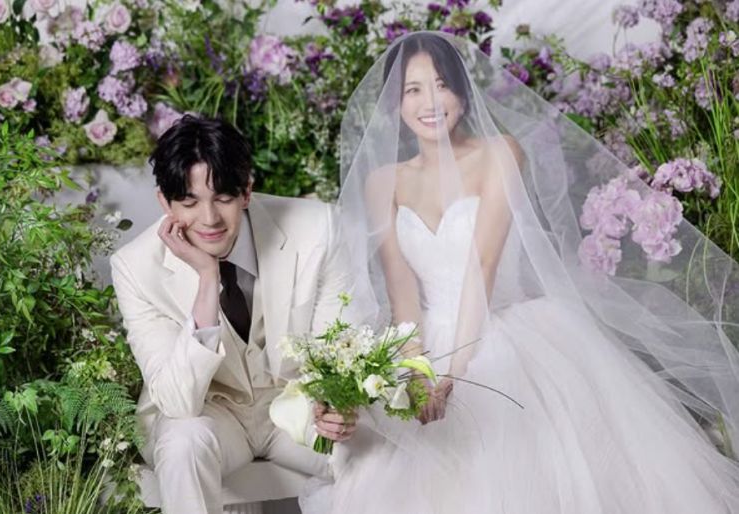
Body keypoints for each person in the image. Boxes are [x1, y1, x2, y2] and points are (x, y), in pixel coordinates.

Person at [301, 31, 739, 513]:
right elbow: (402, 288)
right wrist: (418, 372)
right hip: (428, 340)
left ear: (462, 92)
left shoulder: (500, 152)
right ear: (395, 103)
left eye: (442, 85)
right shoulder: (383, 181)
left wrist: (454, 376)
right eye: (413, 89)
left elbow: (482, 267)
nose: (430, 102)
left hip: (505, 329)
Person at [110, 116, 359, 514]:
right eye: (189, 202)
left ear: (246, 191)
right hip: (213, 413)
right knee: (182, 444)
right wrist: (207, 280)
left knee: (380, 453)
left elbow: (337, 348)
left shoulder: (318, 229)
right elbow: (178, 402)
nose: (209, 219)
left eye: (223, 198)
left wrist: (334, 407)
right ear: (164, 202)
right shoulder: (135, 267)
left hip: (298, 405)